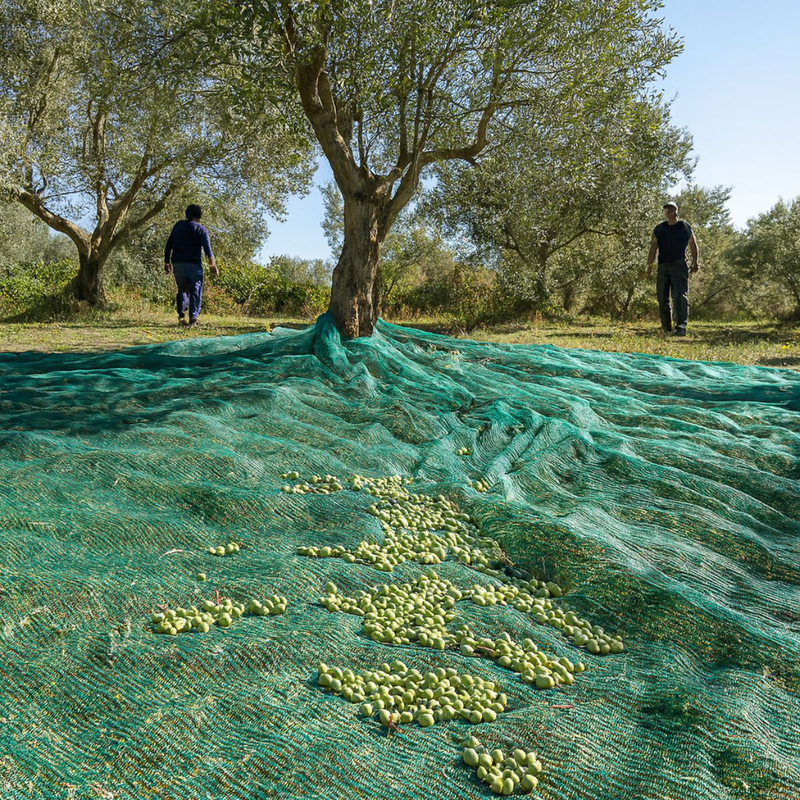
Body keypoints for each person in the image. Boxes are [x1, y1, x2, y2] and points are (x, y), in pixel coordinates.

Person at [646, 201, 699, 336]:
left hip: (679, 265)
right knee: (662, 297)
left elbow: (693, 244)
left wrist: (695, 262)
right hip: (663, 266)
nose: (668, 211)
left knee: (679, 296)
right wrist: (649, 265)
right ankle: (666, 327)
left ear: (676, 211)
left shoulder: (684, 226)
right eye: (666, 209)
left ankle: (681, 326)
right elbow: (653, 247)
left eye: (670, 209)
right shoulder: (659, 229)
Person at [164, 204, 218, 327]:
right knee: (196, 290)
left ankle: (182, 316)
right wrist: (212, 265)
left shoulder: (178, 226)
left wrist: (166, 262)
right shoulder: (201, 229)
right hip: (194, 265)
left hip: (178, 263)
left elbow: (169, 244)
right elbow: (208, 250)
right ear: (199, 215)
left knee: (182, 289)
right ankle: (193, 318)